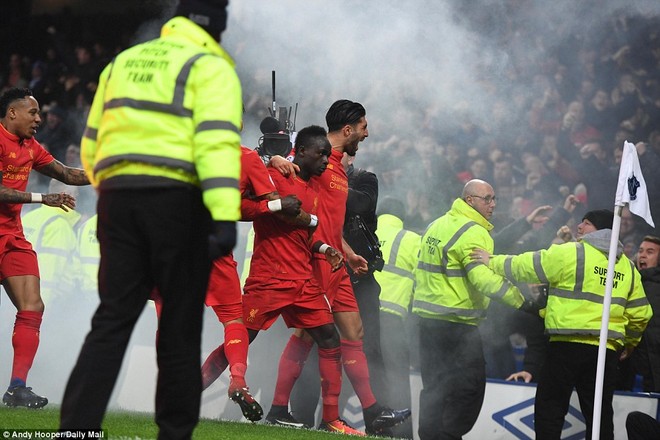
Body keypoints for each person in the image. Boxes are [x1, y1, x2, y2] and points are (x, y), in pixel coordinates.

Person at [59, 2, 242, 438]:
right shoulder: (211, 66)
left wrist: (112, 193)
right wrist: (223, 216)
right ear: (216, 22)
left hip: (119, 200)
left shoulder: (123, 62)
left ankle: (75, 431)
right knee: (180, 331)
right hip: (178, 203)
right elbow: (216, 146)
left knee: (111, 321)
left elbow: (91, 141)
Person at [268, 100, 411, 436]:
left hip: (337, 263)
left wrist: (346, 252)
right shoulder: (315, 162)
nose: (367, 133)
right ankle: (277, 406)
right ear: (347, 130)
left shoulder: (339, 170)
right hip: (312, 263)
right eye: (363, 127)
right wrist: (274, 160)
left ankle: (367, 412)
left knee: (353, 334)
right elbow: (287, 193)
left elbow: (329, 221)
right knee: (303, 335)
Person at [471, 209, 653, 440]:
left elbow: (526, 265)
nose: (579, 227)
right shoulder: (627, 267)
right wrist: (630, 342)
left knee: (550, 409)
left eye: (585, 223)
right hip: (605, 352)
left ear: (600, 230)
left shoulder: (573, 252)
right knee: (599, 415)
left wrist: (492, 261)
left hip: (566, 346)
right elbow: (641, 313)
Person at [161, 145, 304, 422]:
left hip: (172, 243)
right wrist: (273, 204)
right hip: (213, 243)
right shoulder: (246, 157)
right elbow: (250, 207)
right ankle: (238, 379)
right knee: (233, 322)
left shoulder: (181, 145)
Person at [412, 178, 530, 440]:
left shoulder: (436, 224)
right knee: (470, 388)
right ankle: (448, 436)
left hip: (427, 321)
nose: (493, 204)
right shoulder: (475, 232)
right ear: (470, 201)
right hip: (457, 323)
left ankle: (429, 436)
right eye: (487, 199)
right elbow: (482, 279)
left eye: (494, 198)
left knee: (433, 387)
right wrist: (523, 301)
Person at [0, 87, 89, 408]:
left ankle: (17, 388)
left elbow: (66, 173)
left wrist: (110, 173)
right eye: (32, 113)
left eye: (39, 114)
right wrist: (41, 198)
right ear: (12, 113)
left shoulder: (30, 146)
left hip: (11, 237)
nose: (38, 119)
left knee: (32, 306)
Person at [372, 196, 421, 439]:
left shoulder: (366, 233)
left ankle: (328, 426)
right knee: (397, 383)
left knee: (351, 377)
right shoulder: (411, 240)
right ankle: (400, 436)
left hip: (359, 319)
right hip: (391, 323)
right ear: (402, 217)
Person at [628, 235, 660, 391]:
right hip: (633, 362)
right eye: (640, 251)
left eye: (650, 252)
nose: (643, 255)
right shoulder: (630, 281)